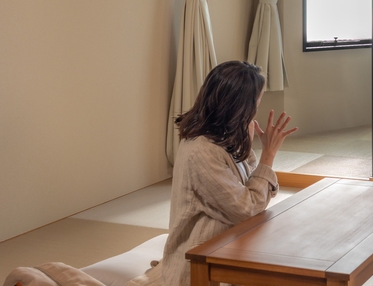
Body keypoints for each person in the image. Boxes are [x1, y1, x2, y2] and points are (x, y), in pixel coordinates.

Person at [127, 61, 297, 286]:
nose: (258, 107)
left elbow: (251, 185)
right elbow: (247, 209)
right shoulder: (202, 151)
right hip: (199, 270)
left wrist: (247, 143)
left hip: (226, 252)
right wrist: (268, 155)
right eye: (257, 100)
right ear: (241, 106)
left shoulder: (221, 137)